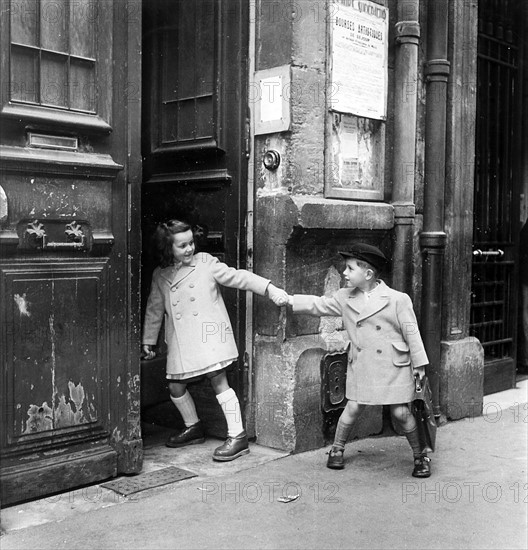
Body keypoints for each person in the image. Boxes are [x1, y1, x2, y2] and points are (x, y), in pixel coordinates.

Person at [142, 219, 288, 461]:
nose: (189, 249)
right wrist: (149, 339)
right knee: (175, 386)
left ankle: (237, 435)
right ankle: (193, 426)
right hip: (180, 338)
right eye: (182, 246)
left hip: (209, 333)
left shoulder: (206, 263)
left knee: (218, 381)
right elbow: (154, 309)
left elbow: (238, 277)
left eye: (191, 243)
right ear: (168, 249)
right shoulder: (160, 275)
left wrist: (269, 288)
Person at [285, 243, 432, 478]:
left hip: (393, 365)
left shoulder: (397, 299)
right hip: (362, 364)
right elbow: (318, 305)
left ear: (368, 274)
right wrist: (289, 300)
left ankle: (419, 455)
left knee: (401, 413)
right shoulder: (344, 297)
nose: (344, 273)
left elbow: (411, 333)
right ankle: (336, 449)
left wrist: (420, 365)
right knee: (352, 407)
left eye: (350, 268)